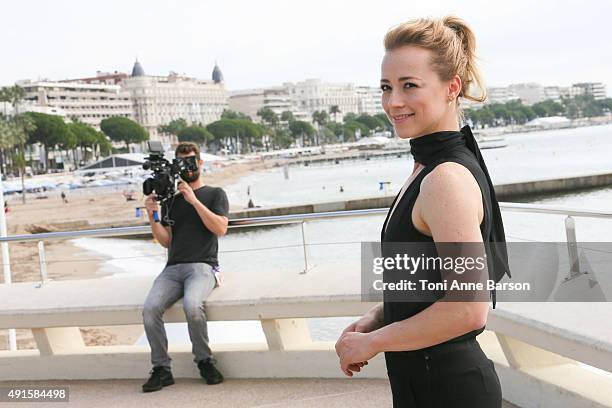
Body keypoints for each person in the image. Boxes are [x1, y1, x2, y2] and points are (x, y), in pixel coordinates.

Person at [335, 16, 510, 407]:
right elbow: (432, 281)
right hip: (428, 384)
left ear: (452, 88)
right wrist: (380, 316)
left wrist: (372, 343)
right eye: (386, 87)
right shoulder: (427, 169)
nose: (393, 101)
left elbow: (468, 309)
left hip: (450, 390)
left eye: (409, 85)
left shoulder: (445, 177)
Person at [141, 142, 229, 393]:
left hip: (203, 267)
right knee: (149, 309)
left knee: (192, 305)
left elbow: (220, 228)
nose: (188, 168)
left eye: (192, 162)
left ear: (200, 164)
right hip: (173, 268)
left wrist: (193, 200)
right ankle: (161, 369)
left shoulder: (215, 194)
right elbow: (166, 241)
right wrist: (152, 214)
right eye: (183, 163)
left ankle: (204, 361)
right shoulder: (172, 201)